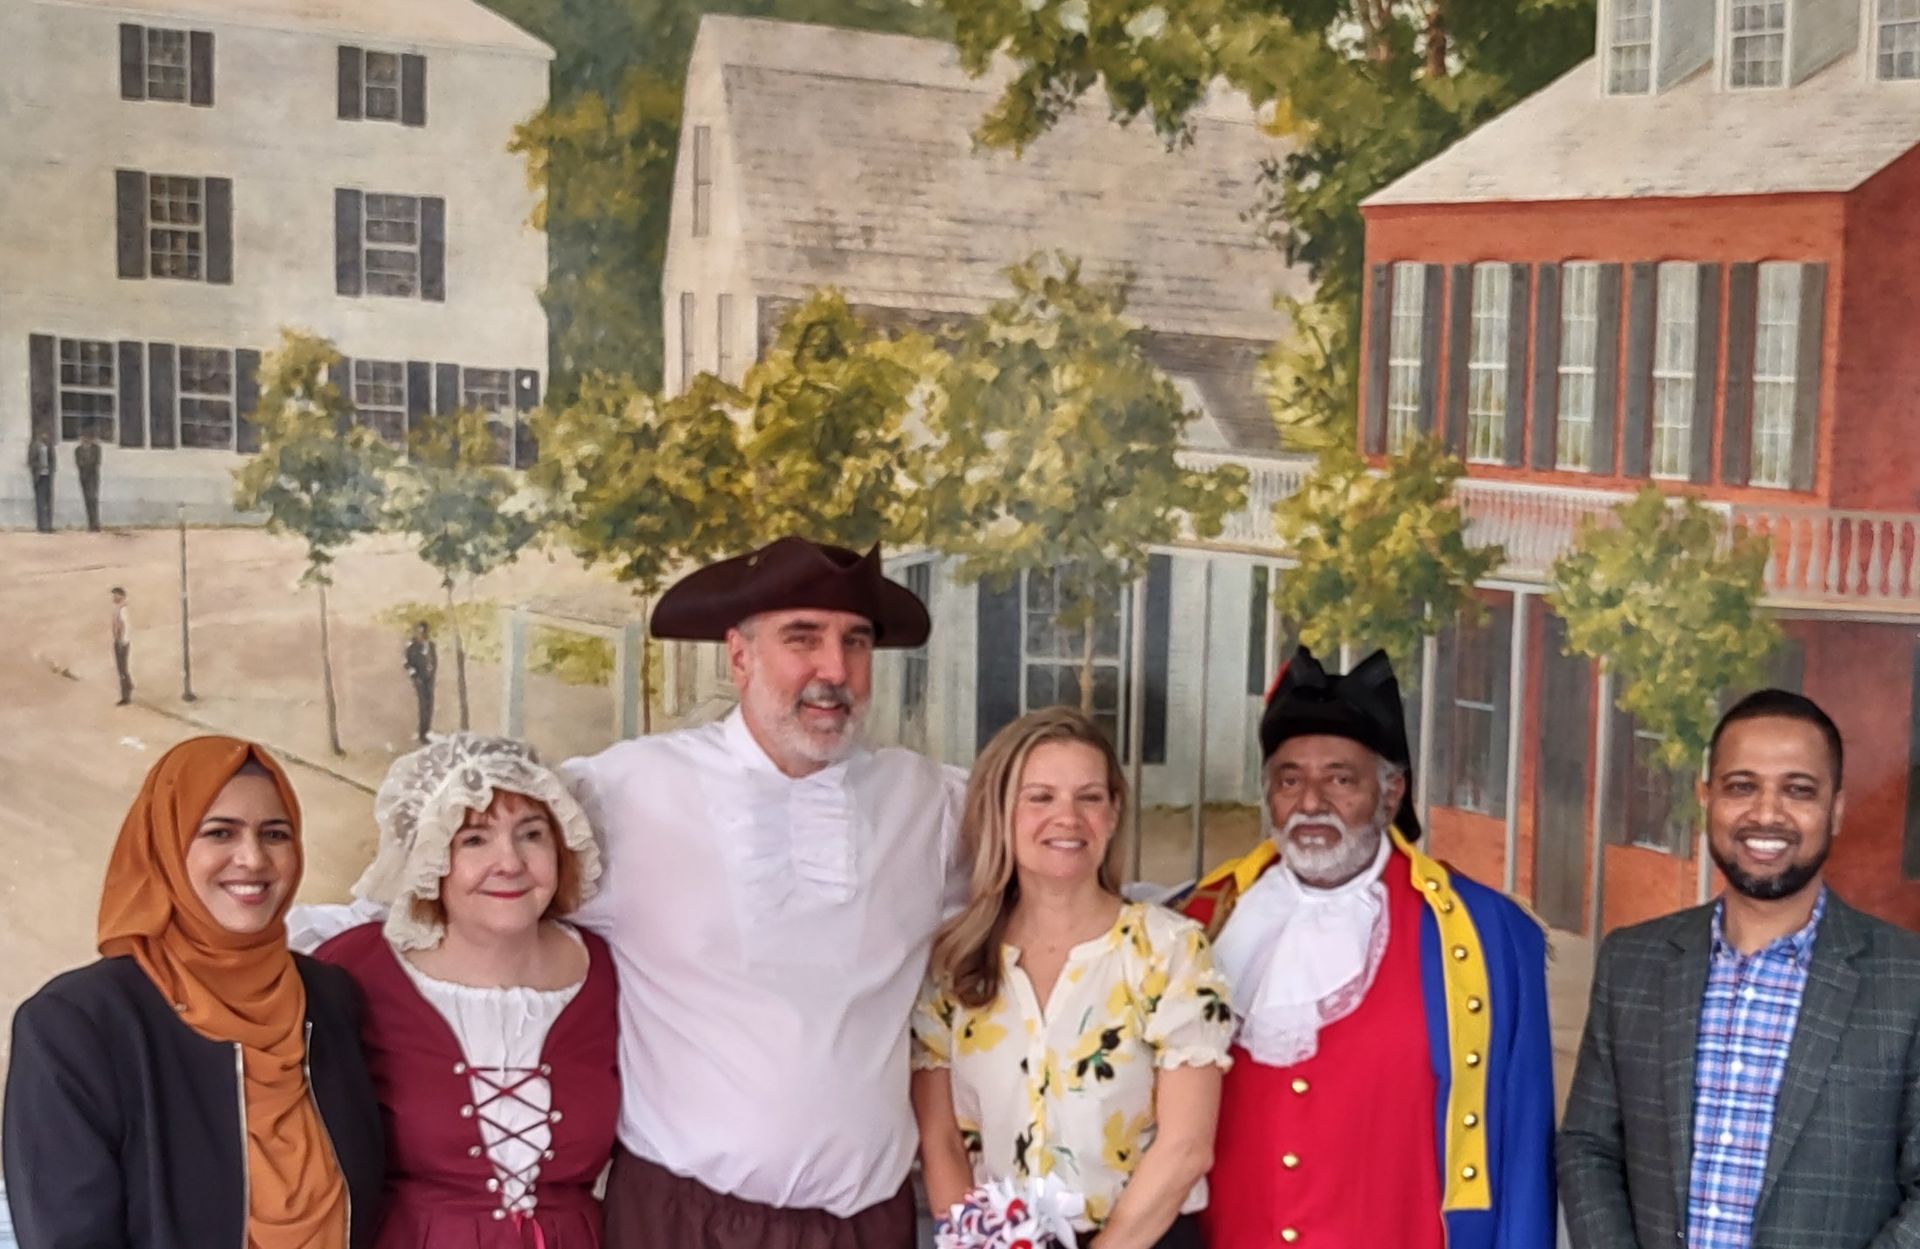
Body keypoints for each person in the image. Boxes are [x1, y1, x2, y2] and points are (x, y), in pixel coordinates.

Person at [561, 535, 965, 1248]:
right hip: (680, 1221)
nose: (834, 669)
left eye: (857, 641)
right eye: (802, 638)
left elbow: (1055, 888)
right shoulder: (624, 791)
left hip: (865, 1227)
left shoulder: (930, 803)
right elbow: (461, 895)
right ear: (739, 656)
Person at [1178, 647, 1555, 1249]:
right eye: (1289, 779)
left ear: (1390, 792)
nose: (1310, 803)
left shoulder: (1488, 934)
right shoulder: (1196, 920)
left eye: (1340, 779)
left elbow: (1523, 1147)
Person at [1559, 689, 1920, 1248]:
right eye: (1741, 786)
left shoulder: (1906, 980)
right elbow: (1589, 1148)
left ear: (1837, 809)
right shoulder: (1632, 962)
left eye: (1799, 790)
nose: (1767, 814)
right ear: (1707, 798)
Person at [1, 736, 385, 1249]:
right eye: (219, 833)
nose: (252, 858)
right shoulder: (79, 1025)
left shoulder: (329, 1000)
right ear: (164, 846)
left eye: (276, 833)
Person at [913, 707, 1232, 1248]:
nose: (1068, 817)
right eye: (1040, 797)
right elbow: (940, 1139)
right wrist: (973, 1243)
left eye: (1089, 797)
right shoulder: (954, 961)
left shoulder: (1168, 949)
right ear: (1000, 812)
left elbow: (1186, 1146)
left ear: (1112, 814)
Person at [312, 733, 620, 1247]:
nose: (510, 862)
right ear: (431, 856)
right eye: (474, 839)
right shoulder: (354, 970)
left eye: (531, 834)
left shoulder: (608, 971)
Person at [404, 622, 438, 743]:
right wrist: (414, 676)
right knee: (423, 705)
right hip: (419, 679)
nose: (422, 634)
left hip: (429, 679)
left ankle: (427, 730)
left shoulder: (430, 645)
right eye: (420, 631)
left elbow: (433, 660)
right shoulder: (412, 646)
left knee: (429, 705)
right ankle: (422, 733)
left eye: (424, 631)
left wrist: (432, 673)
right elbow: (407, 663)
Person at [75, 429, 103, 531]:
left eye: (86, 438)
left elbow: (96, 462)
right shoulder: (78, 450)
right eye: (82, 438)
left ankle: (96, 523)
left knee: (93, 499)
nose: (84, 440)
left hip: (93, 477)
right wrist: (84, 468)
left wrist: (87, 467)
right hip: (83, 477)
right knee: (87, 500)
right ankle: (90, 524)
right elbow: (79, 463)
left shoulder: (96, 449)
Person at [26, 431, 54, 532]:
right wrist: (39, 467)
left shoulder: (49, 445)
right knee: (40, 501)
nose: (45, 435)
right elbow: (30, 461)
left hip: (48, 475)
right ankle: (41, 526)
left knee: (48, 500)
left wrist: (51, 470)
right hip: (39, 476)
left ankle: (49, 525)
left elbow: (52, 459)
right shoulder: (34, 446)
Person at [111, 585, 133, 705]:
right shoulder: (120, 608)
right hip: (122, 640)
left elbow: (122, 626)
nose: (114, 597)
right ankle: (128, 686)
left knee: (122, 669)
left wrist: (119, 640)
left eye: (116, 594)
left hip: (122, 642)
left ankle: (126, 695)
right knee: (122, 668)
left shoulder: (122, 609)